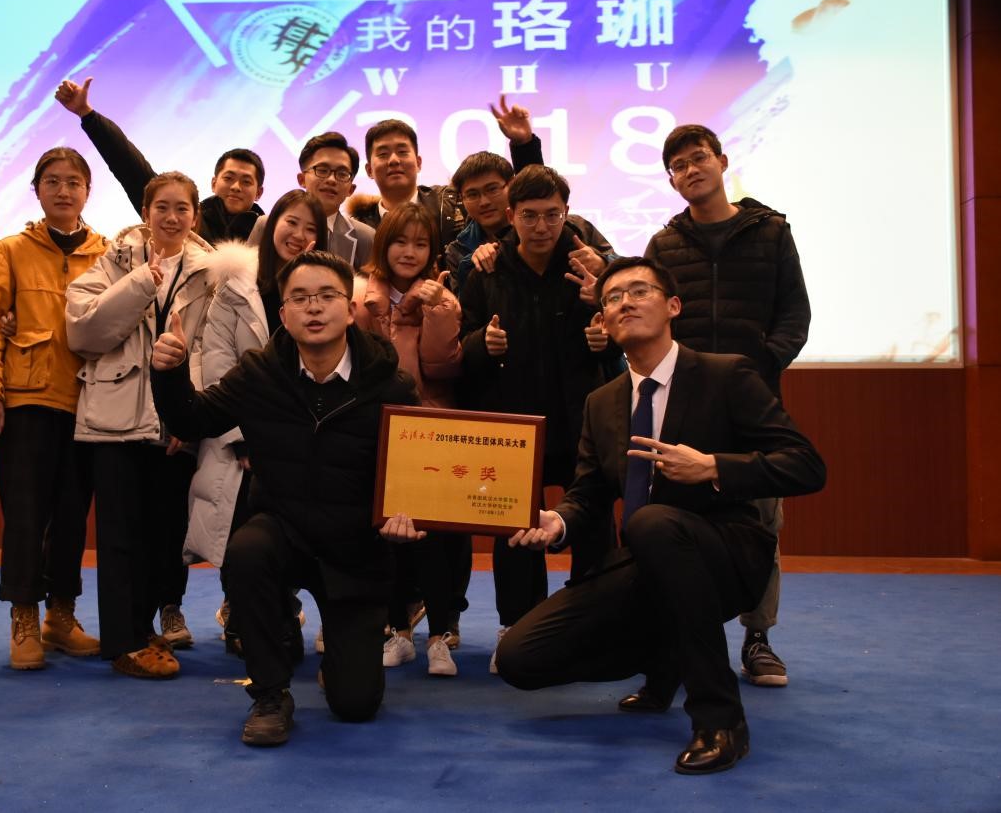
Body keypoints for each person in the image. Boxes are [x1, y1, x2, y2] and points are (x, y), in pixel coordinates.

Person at [493, 255, 826, 775]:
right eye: (612, 298)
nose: (625, 302)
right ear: (602, 321)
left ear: (673, 306)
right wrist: (558, 521)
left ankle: (720, 719)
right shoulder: (602, 402)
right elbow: (587, 494)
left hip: (727, 551)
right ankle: (665, 654)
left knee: (651, 523)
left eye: (639, 291)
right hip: (647, 563)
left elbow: (806, 466)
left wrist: (713, 466)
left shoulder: (726, 375)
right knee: (521, 659)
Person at [151, 251, 418, 746]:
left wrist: (406, 517)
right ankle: (270, 694)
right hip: (283, 530)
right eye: (299, 298)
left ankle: (340, 663)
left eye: (326, 296)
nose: (313, 307)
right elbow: (193, 419)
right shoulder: (260, 373)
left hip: (355, 550)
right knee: (247, 551)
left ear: (350, 308)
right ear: (283, 314)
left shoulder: (390, 383)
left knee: (355, 705)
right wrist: (170, 372)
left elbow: (417, 471)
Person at [644, 124, 812, 687]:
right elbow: (654, 319)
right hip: (684, 403)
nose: (691, 170)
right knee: (676, 520)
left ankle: (758, 636)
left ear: (721, 161)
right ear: (671, 180)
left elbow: (794, 315)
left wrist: (760, 369)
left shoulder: (771, 232)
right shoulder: (664, 245)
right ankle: (678, 637)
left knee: (761, 519)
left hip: (753, 402)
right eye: (679, 166)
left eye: (698, 159)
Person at [458, 164, 621, 671]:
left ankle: (595, 628)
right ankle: (516, 628)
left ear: (567, 213)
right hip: (513, 425)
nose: (542, 226)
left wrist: (606, 339)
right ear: (511, 216)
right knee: (514, 529)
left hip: (582, 422)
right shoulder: (486, 270)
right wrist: (482, 345)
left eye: (552, 214)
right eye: (530, 215)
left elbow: (627, 335)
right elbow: (460, 346)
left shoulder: (589, 270)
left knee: (593, 526)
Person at [64, 171, 217, 678]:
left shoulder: (211, 273)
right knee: (119, 537)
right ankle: (124, 643)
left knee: (163, 535)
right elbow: (83, 331)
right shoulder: (114, 262)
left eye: (182, 208)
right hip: (116, 420)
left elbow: (211, 349)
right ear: (145, 213)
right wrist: (139, 285)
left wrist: (188, 416)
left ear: (195, 216)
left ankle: (144, 627)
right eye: (162, 207)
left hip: (175, 424)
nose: (172, 217)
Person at [0, 147, 105, 670]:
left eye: (74, 182)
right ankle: (24, 617)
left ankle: (61, 617)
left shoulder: (109, 253)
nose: (63, 191)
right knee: (26, 518)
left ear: (87, 191)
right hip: (27, 399)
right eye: (52, 181)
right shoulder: (9, 250)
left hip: (89, 402)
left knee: (73, 517)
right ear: (37, 190)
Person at [186, 190, 327, 653]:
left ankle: (283, 612)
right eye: (292, 223)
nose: (299, 235)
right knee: (241, 528)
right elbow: (217, 362)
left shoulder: (324, 293)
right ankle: (242, 616)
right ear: (272, 226)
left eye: (311, 228)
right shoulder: (236, 287)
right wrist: (244, 438)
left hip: (302, 440)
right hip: (242, 438)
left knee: (292, 530)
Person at [351, 203, 467, 676]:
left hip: (431, 430)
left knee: (432, 538)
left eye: (421, 243)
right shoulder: (360, 297)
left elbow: (443, 367)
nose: (409, 251)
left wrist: (436, 310)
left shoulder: (444, 298)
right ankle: (398, 632)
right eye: (400, 241)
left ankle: (439, 637)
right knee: (388, 538)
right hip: (378, 430)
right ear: (383, 244)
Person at [54, 76, 265, 242]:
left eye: (246, 181)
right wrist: (87, 115)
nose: (236, 187)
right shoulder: (183, 216)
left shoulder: (270, 238)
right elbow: (129, 165)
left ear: (259, 192)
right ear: (213, 182)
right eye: (228, 178)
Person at [348, 98, 543, 249]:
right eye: (383, 154)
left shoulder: (454, 202)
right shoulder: (357, 230)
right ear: (369, 170)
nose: (393, 160)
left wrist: (524, 145)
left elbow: (532, 200)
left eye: (402, 151)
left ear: (418, 163)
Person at [247, 132, 375, 269]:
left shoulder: (365, 238)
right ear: (301, 179)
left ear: (351, 189)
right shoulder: (266, 225)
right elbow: (245, 277)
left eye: (342, 174)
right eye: (322, 170)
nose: (331, 180)